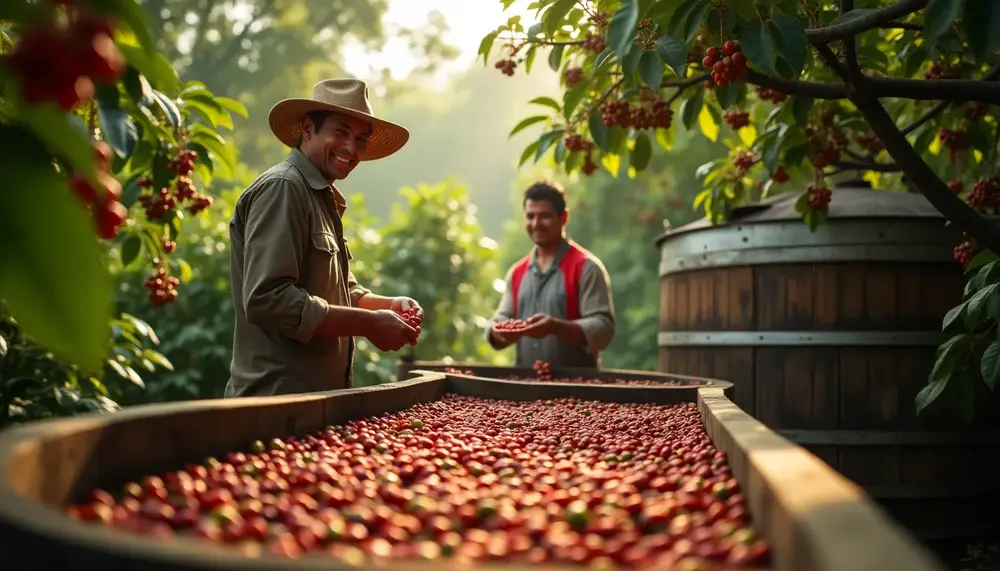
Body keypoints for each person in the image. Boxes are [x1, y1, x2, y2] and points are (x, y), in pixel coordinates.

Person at [225, 78, 423, 398]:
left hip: (311, 401)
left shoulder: (319, 196)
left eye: (360, 139)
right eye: (340, 132)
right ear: (307, 128)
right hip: (275, 400)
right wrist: (370, 324)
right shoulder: (284, 188)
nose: (351, 148)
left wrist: (387, 305)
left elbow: (337, 288)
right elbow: (268, 300)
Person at [485, 180, 616, 368]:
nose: (536, 224)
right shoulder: (517, 272)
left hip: (576, 390)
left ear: (563, 217)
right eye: (530, 216)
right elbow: (500, 320)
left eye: (545, 216)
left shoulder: (586, 268)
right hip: (525, 388)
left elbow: (603, 330)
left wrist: (556, 327)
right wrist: (498, 332)